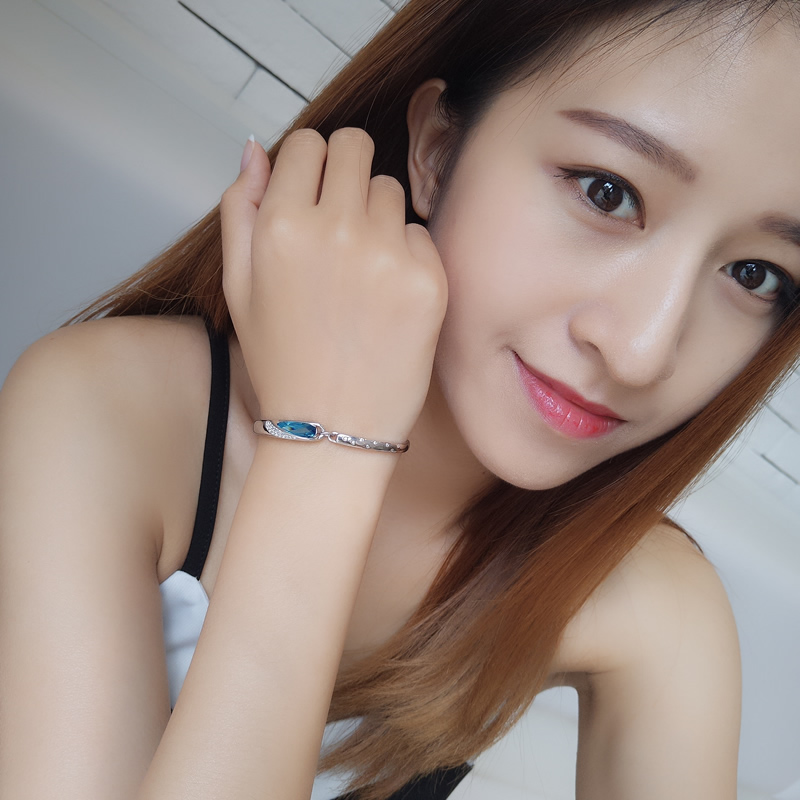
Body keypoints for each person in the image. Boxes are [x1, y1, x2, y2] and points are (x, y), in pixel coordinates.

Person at [1, 0, 799, 797]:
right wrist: (327, 447)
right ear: (437, 151)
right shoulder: (109, 416)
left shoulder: (649, 603)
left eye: (755, 274)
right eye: (606, 192)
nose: (642, 352)